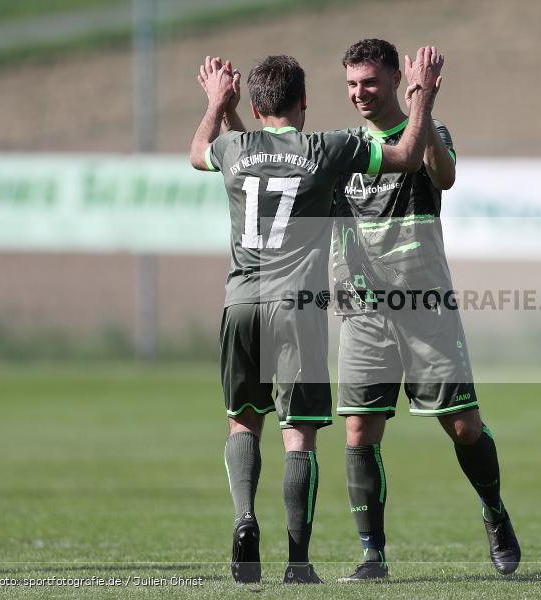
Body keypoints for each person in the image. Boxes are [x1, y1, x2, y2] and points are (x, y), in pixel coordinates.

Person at [190, 48, 444, 584]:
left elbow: (197, 153)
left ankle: (244, 517)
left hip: (240, 304)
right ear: (304, 101)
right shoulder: (327, 148)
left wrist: (216, 103)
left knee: (243, 421)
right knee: (298, 435)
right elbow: (405, 156)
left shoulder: (234, 147)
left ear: (254, 109)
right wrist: (421, 95)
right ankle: (298, 563)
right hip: (296, 308)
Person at [330, 39, 520, 582]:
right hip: (364, 313)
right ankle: (373, 556)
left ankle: (494, 512)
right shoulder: (341, 146)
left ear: (396, 79)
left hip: (424, 307)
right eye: (351, 84)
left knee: (463, 427)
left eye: (369, 82)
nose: (360, 93)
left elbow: (444, 176)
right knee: (359, 431)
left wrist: (425, 106)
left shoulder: (432, 130)